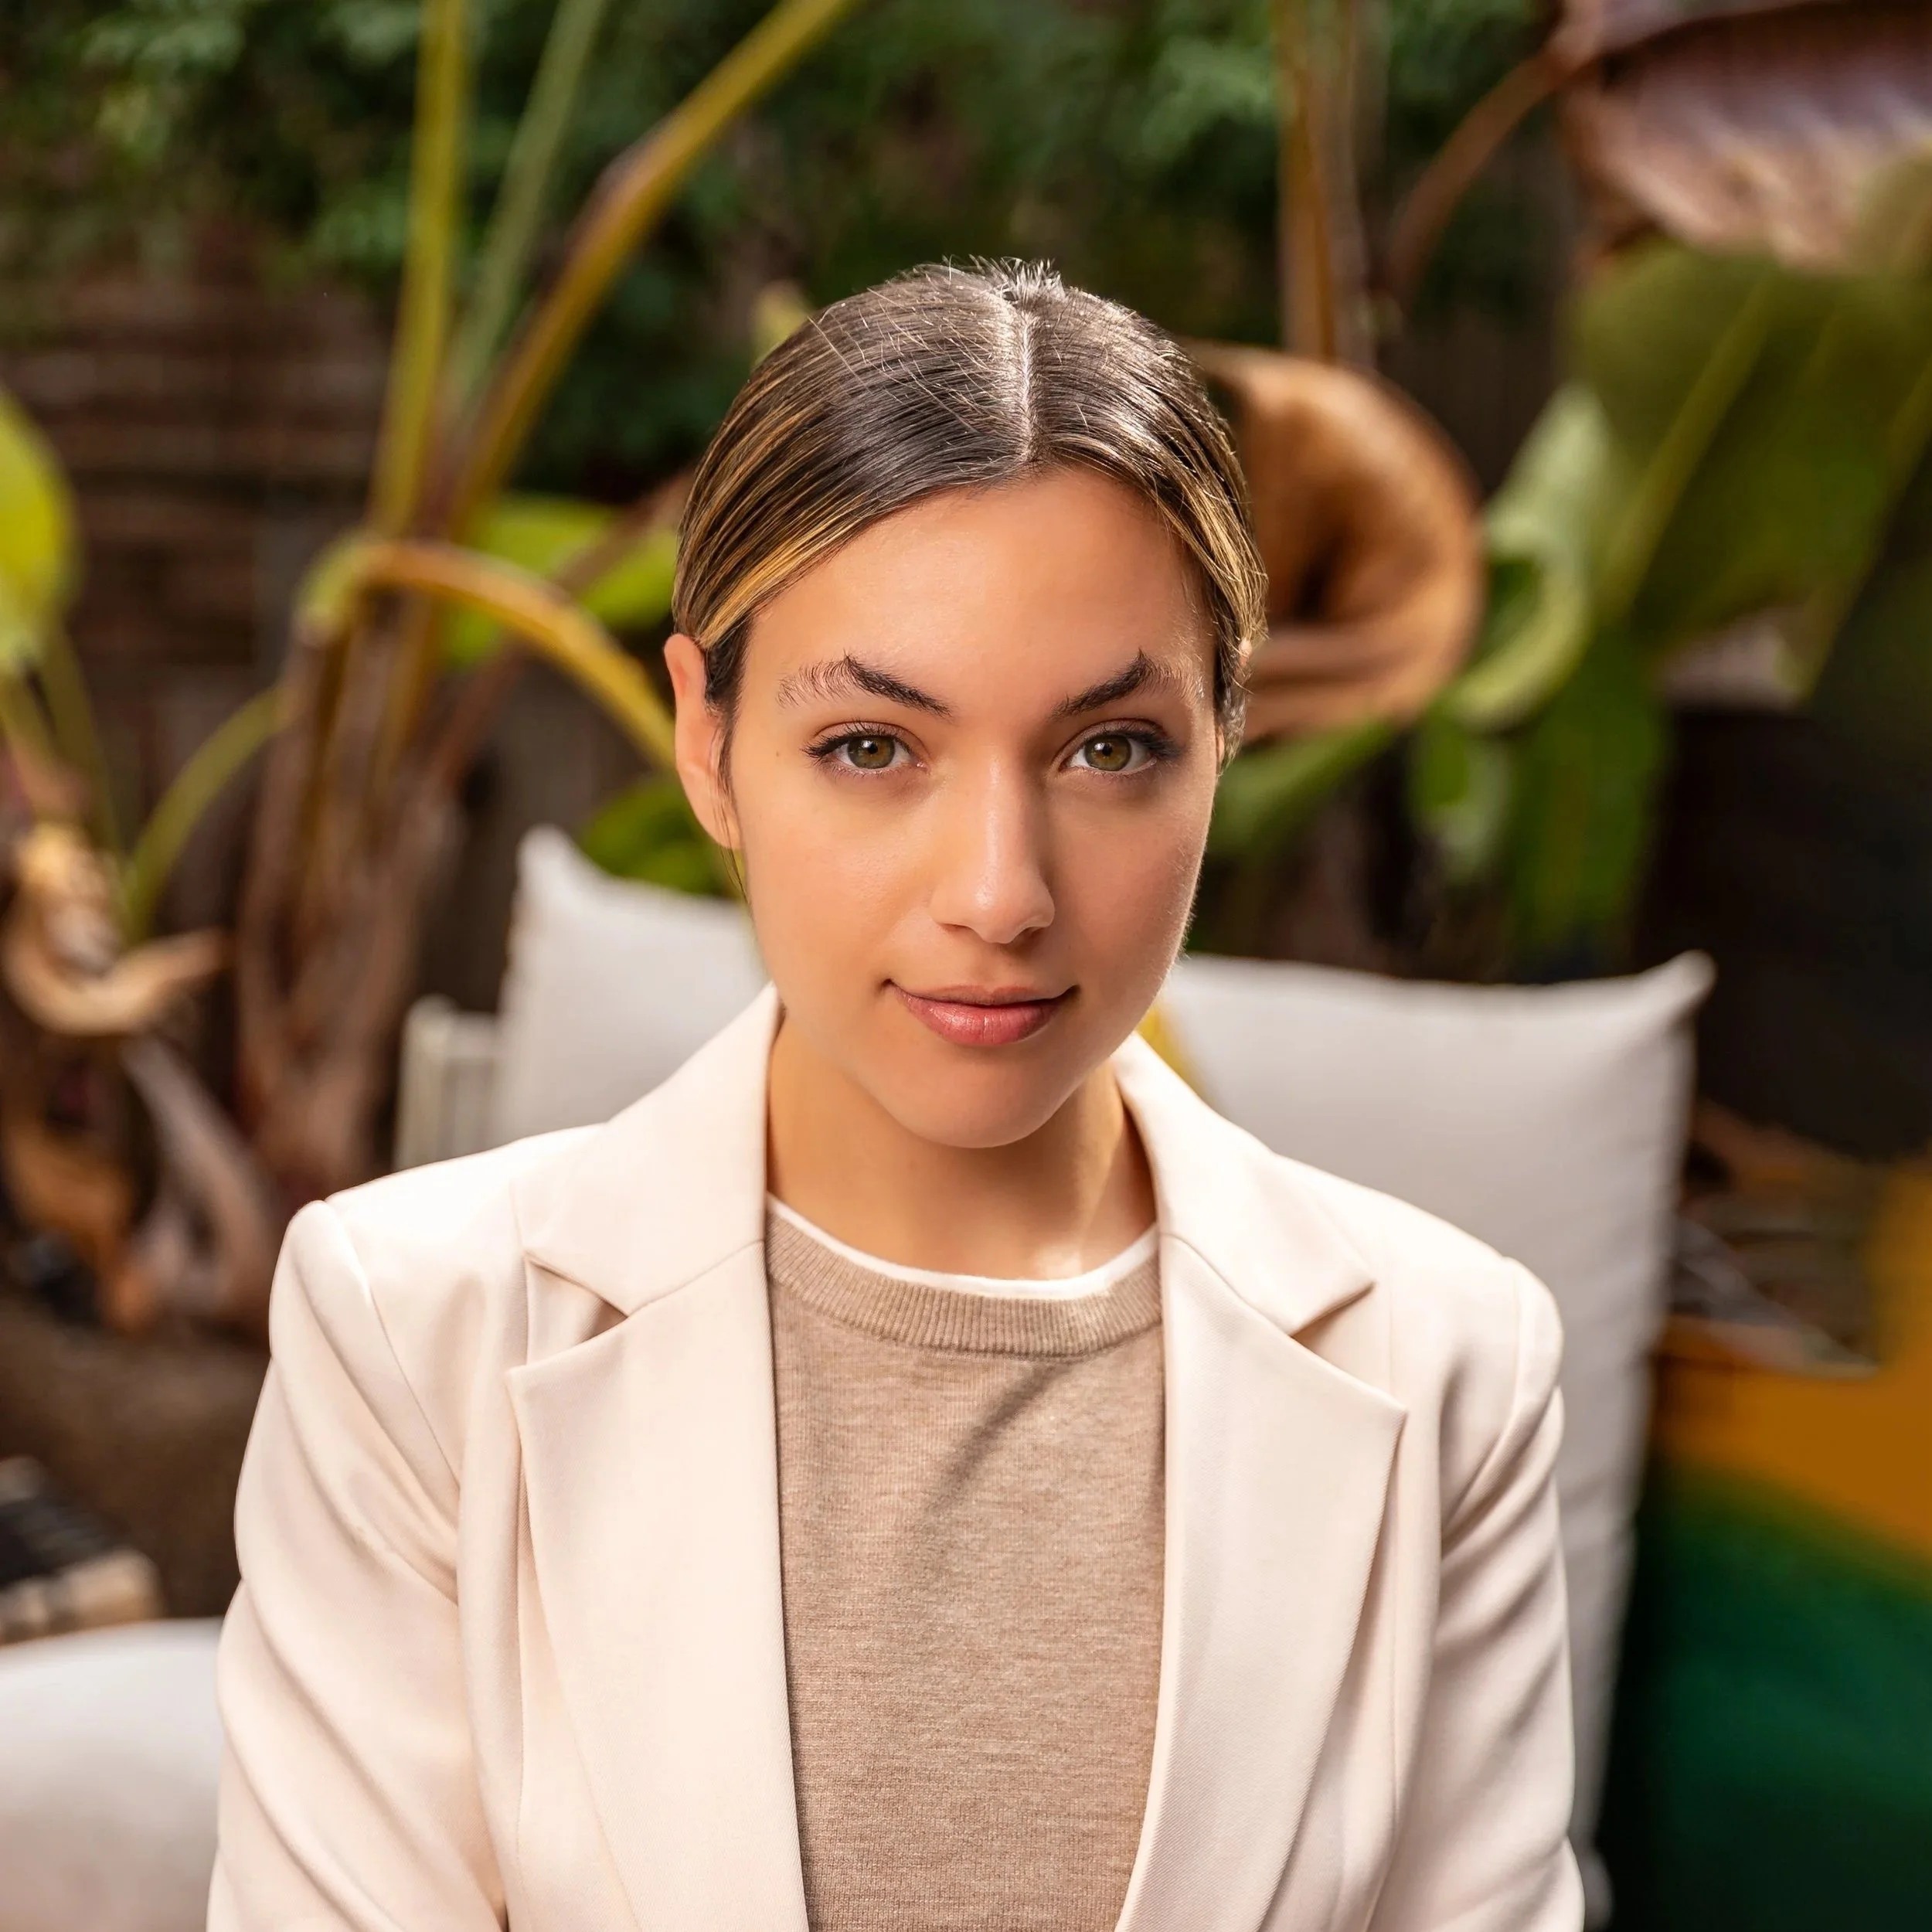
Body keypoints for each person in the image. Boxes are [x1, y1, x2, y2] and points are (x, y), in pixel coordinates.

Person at [209, 263, 1583, 1932]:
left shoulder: (1449, 1363)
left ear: (1229, 730)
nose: (997, 891)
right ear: (705, 744)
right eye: (873, 744)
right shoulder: (409, 1333)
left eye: (1108, 749)